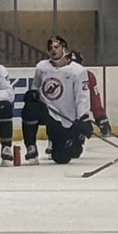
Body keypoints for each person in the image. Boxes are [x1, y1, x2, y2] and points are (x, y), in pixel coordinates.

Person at [22, 35, 92, 165]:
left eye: (56, 47)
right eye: (50, 48)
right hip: (46, 111)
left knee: (62, 158)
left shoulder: (78, 71)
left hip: (65, 118)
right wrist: (32, 94)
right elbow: (35, 88)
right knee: (30, 108)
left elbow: (82, 96)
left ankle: (63, 141)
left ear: (64, 49)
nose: (53, 50)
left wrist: (83, 118)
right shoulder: (42, 67)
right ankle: (31, 147)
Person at [69, 51, 112, 137]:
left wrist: (101, 118)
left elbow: (94, 99)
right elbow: (94, 99)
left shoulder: (87, 76)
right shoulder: (87, 75)